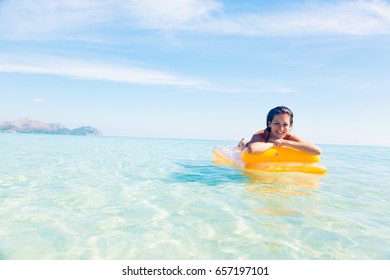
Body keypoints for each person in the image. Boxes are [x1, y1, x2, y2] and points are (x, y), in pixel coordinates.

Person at [238, 106, 321, 155]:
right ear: (269, 123)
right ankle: (243, 141)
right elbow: (252, 149)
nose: (281, 129)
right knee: (245, 145)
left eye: (285, 125)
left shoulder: (289, 137)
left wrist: (285, 143)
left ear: (290, 126)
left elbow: (317, 151)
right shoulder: (261, 135)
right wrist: (273, 143)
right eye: (277, 123)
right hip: (257, 143)